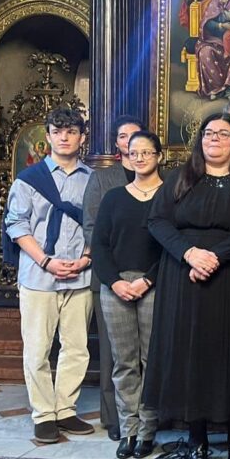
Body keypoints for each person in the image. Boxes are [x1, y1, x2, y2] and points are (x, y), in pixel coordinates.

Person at [144, 113, 230, 459]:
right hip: (184, 278)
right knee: (193, 355)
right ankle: (197, 438)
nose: (214, 138)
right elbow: (157, 221)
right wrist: (189, 253)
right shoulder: (180, 178)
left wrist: (217, 256)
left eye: (223, 133)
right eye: (208, 133)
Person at [4, 107, 95, 444]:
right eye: (57, 132)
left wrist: (86, 258)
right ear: (48, 137)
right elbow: (17, 225)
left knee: (76, 347)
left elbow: (100, 225)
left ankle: (65, 410)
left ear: (82, 137)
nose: (64, 138)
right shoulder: (29, 179)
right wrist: (46, 261)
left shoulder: (93, 179)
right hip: (39, 275)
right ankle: (43, 415)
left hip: (80, 274)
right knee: (38, 348)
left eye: (71, 132)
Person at [91, 130, 164, 459]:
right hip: (116, 287)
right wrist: (115, 282)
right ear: (125, 158)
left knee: (151, 360)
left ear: (159, 156)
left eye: (147, 152)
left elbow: (172, 247)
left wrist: (148, 280)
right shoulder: (114, 198)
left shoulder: (170, 196)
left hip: (155, 286)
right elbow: (99, 245)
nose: (140, 158)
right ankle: (128, 430)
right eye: (134, 153)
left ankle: (147, 430)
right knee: (124, 362)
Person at [82, 114, 144, 442]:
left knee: (145, 352)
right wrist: (114, 275)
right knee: (113, 354)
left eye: (136, 135)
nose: (130, 141)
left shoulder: (160, 179)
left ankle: (147, 417)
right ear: (117, 145)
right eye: (123, 136)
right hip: (110, 277)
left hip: (148, 279)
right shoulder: (103, 179)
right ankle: (115, 417)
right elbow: (91, 229)